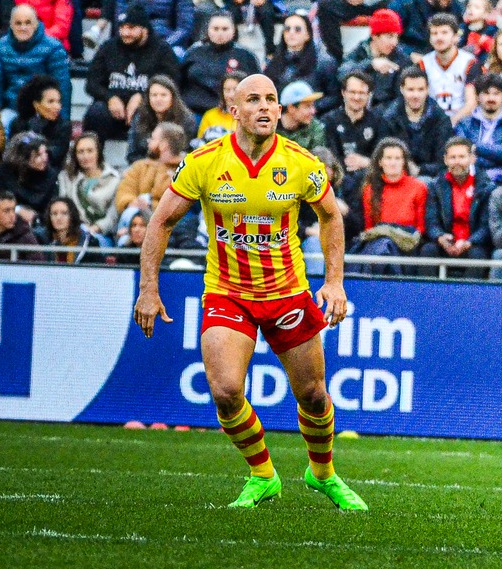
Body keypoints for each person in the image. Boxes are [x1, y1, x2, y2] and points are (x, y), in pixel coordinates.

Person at [132, 75, 366, 511]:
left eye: (271, 100)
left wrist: (334, 282)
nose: (264, 107)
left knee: (314, 394)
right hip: (228, 292)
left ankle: (323, 473)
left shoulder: (301, 163)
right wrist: (149, 288)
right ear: (234, 111)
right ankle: (263, 474)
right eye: (253, 100)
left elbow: (332, 217)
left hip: (288, 293)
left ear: (279, 111)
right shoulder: (205, 161)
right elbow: (160, 221)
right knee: (224, 391)